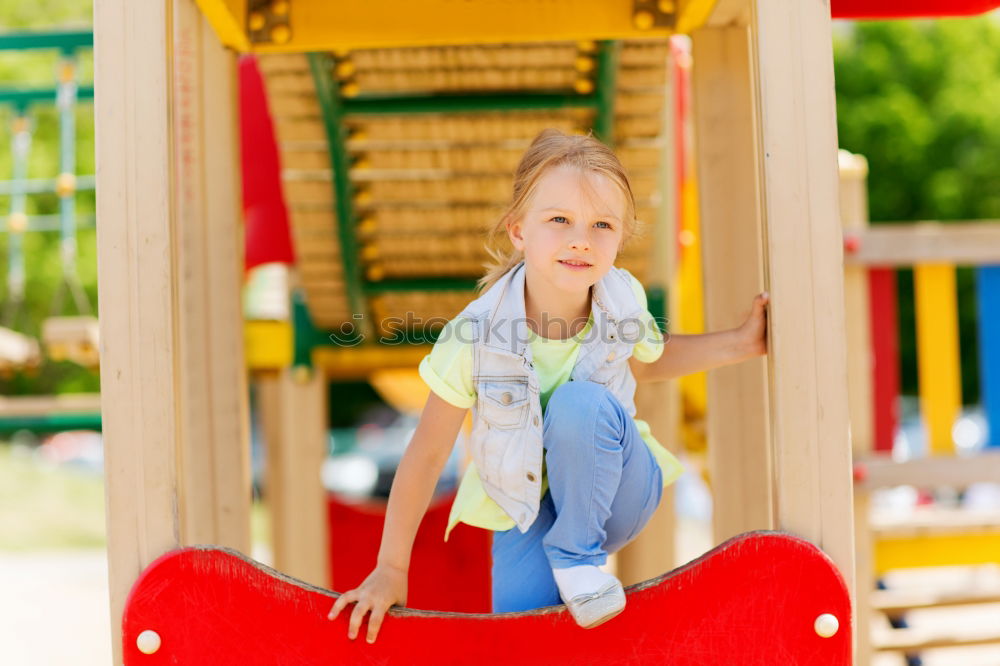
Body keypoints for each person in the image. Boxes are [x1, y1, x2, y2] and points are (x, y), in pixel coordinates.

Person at [327, 128, 769, 643]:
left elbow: (649, 362)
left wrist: (741, 342)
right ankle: (567, 563)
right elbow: (427, 452)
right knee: (523, 638)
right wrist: (391, 569)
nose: (581, 238)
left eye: (602, 224)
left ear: (620, 238)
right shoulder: (476, 334)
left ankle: (577, 557)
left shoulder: (620, 298)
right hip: (526, 507)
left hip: (618, 488)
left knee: (578, 404)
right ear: (518, 230)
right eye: (559, 219)